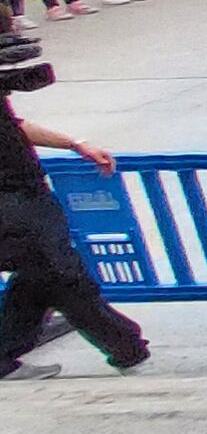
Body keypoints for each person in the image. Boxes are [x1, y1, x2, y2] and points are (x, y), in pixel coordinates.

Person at [0, 27, 149, 378]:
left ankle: (5, 354)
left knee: (42, 273)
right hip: (13, 200)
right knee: (61, 273)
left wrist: (74, 144)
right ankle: (126, 346)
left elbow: (14, 124)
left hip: (27, 192)